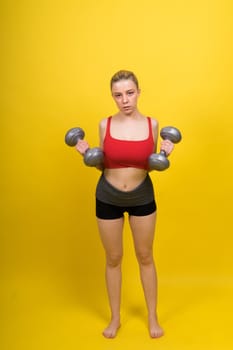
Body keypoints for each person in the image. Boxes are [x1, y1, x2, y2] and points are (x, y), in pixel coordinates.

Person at [76, 70, 174, 339]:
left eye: (130, 93)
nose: (125, 100)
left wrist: (164, 152)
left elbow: (149, 167)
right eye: (118, 95)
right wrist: (87, 153)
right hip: (108, 196)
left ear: (139, 92)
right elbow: (102, 165)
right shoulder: (104, 125)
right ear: (113, 97)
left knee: (145, 256)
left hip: (142, 195)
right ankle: (115, 318)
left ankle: (152, 318)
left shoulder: (153, 125)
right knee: (113, 258)